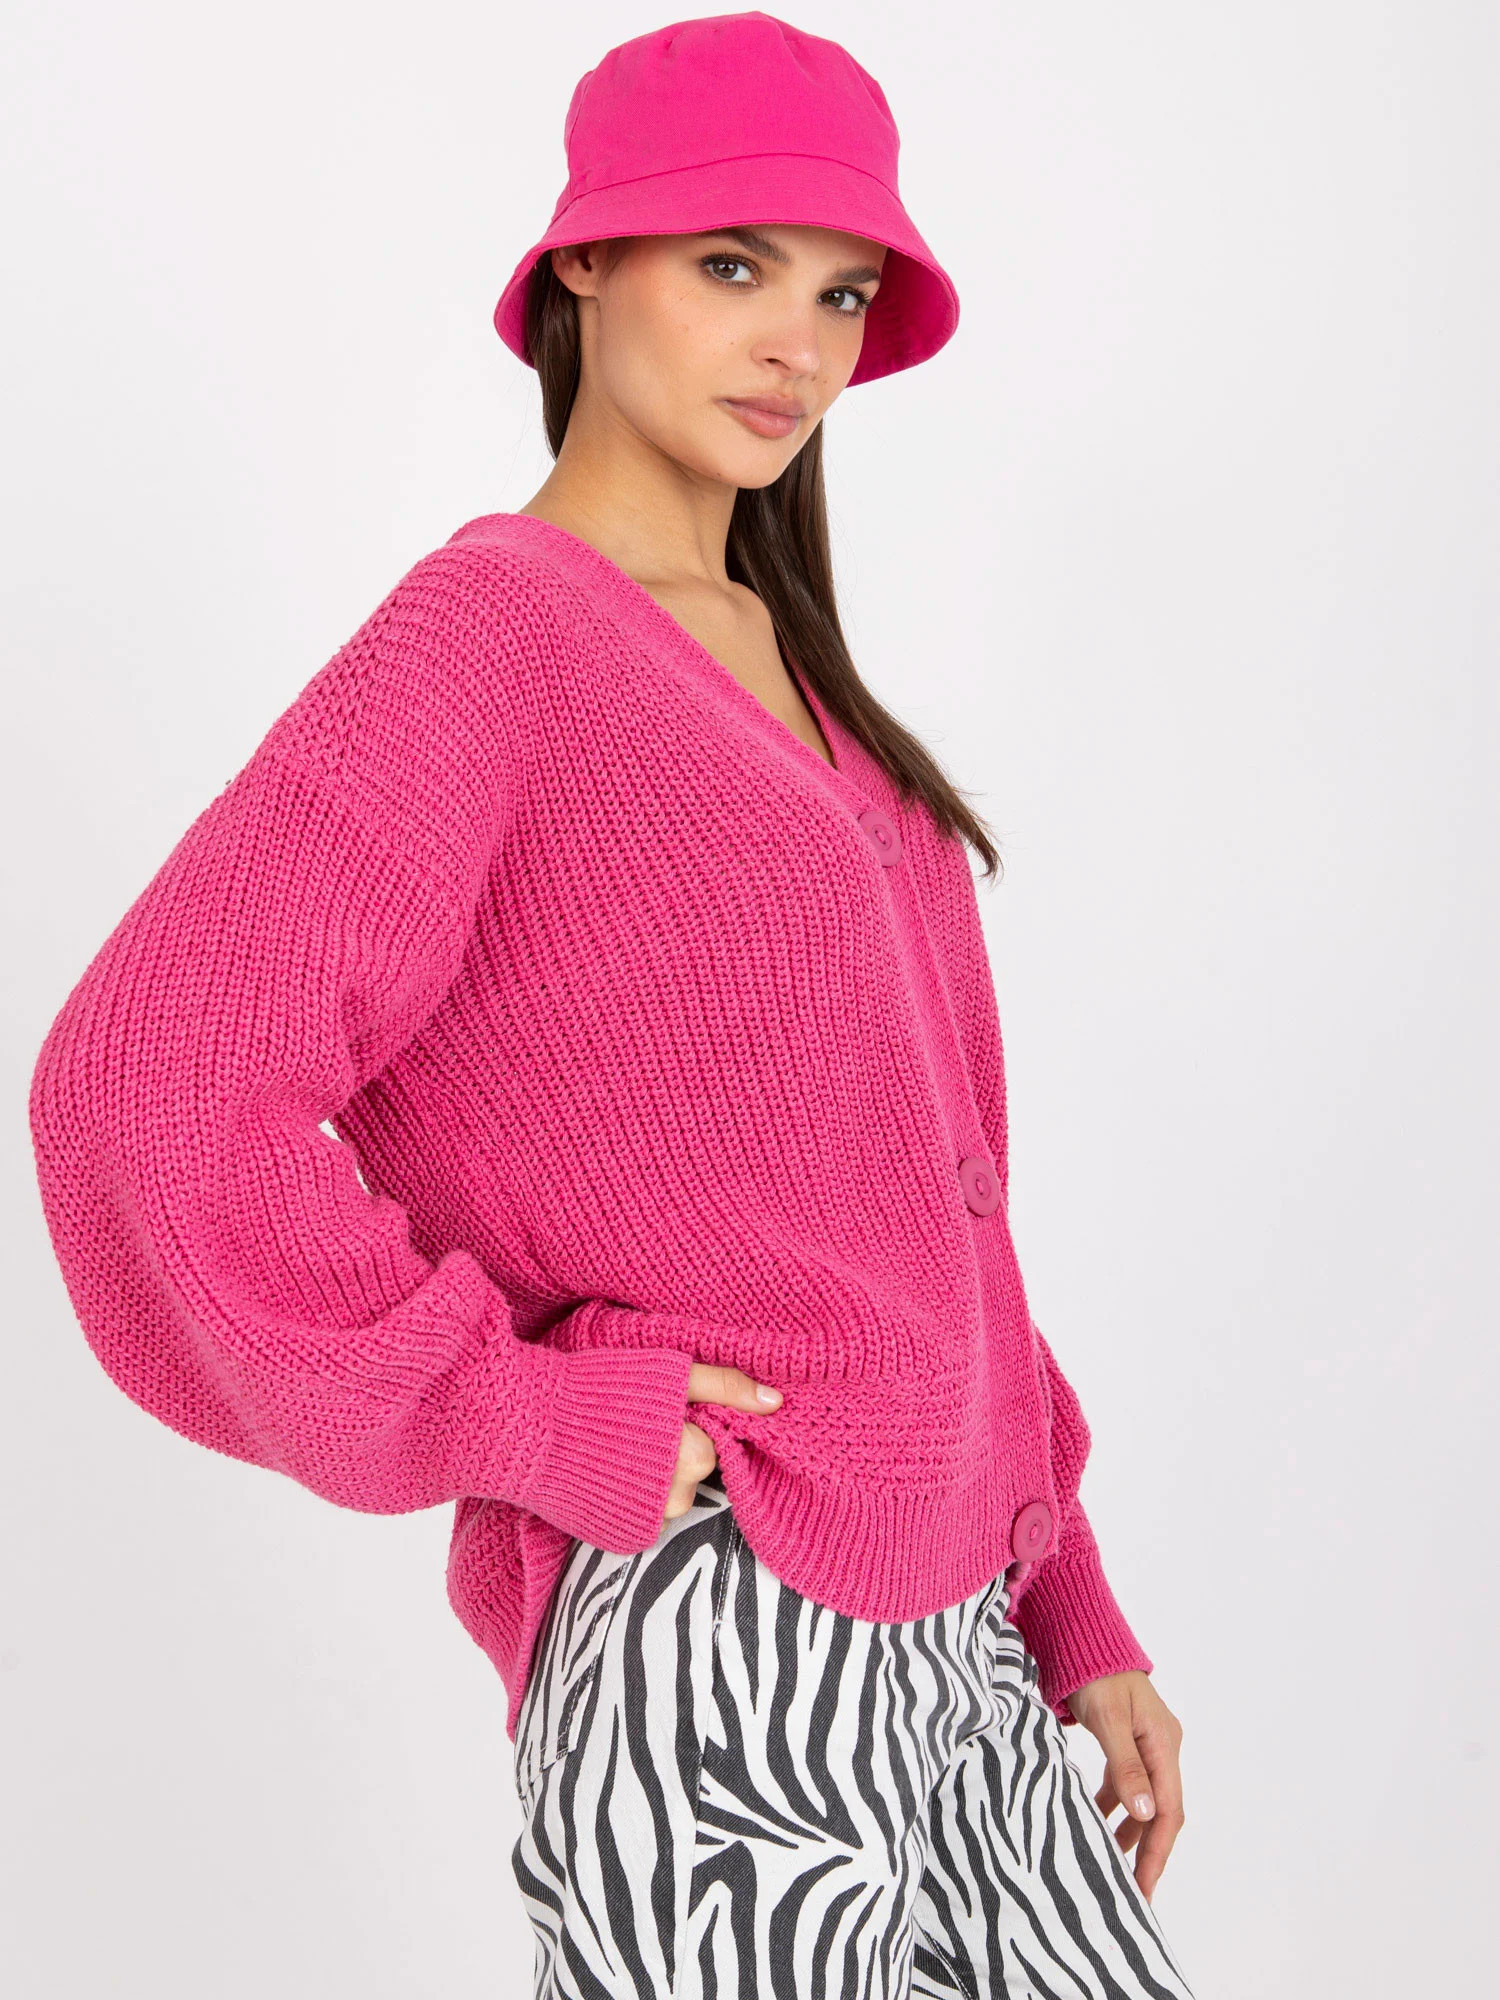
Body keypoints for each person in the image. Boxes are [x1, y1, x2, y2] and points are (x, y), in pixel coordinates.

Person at [28, 12, 1196, 1998]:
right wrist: (517, 1409)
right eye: (734, 266)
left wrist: (1070, 1600)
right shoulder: (492, 638)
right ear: (583, 263)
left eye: (840, 293)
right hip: (724, 1645)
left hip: (962, 1648)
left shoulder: (792, 663)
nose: (799, 344)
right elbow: (145, 1087)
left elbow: (913, 1215)